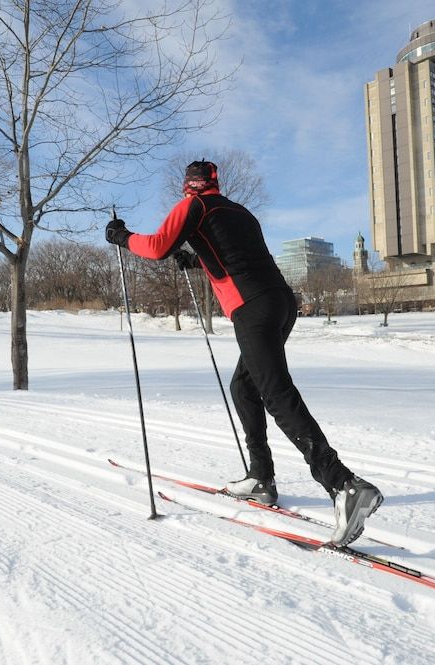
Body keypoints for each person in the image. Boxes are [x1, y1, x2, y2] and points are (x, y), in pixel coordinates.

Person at [106, 160, 383, 546]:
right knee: (244, 387)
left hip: (252, 308)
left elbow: (155, 248)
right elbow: (237, 256)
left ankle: (343, 484)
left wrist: (121, 236)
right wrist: (197, 259)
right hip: (280, 303)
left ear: (189, 187)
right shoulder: (239, 212)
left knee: (276, 393)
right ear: (215, 183)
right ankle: (261, 477)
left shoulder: (193, 207)